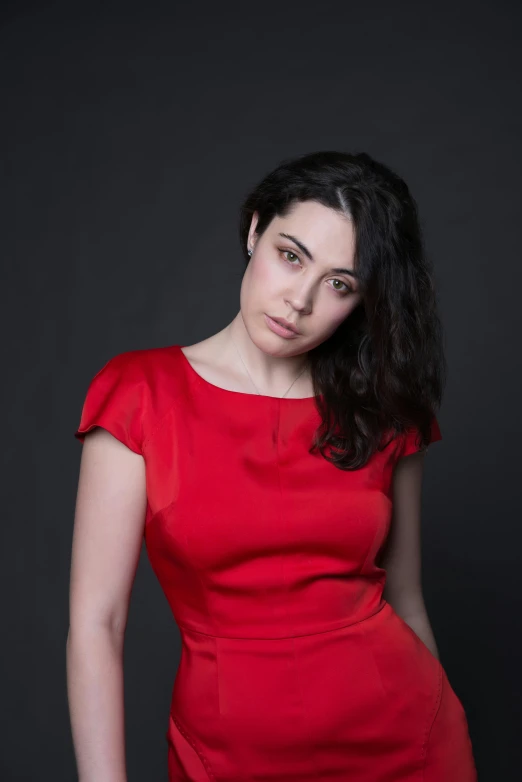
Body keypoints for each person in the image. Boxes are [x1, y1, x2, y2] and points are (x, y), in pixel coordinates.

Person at [67, 150, 478, 781]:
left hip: (406, 746)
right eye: (292, 256)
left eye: (340, 284)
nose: (299, 301)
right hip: (227, 756)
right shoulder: (139, 394)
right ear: (255, 230)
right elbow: (98, 624)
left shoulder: (387, 410)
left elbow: (406, 598)